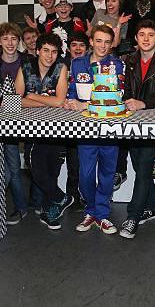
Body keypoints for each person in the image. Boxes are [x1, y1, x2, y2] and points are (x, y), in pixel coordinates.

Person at [65, 25, 124, 234]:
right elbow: (72, 91)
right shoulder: (78, 63)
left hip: (109, 127)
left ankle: (102, 214)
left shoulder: (116, 65)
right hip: (85, 128)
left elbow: (117, 96)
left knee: (107, 173)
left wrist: (86, 104)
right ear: (91, 42)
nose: (103, 46)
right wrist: (70, 100)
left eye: (107, 42)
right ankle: (90, 210)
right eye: (99, 41)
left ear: (111, 44)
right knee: (86, 175)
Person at [119, 19, 155, 239]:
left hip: (153, 121)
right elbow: (125, 89)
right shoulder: (130, 60)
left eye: (150, 35)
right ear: (136, 38)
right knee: (138, 164)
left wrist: (144, 103)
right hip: (132, 122)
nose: (146, 38)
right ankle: (150, 206)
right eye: (142, 34)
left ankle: (133, 216)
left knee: (142, 169)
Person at [15, 33, 74, 229]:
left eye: (54, 52)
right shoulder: (25, 67)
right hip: (32, 129)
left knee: (52, 171)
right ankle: (61, 197)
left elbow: (59, 101)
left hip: (56, 128)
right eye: (46, 51)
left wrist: (32, 96)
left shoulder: (61, 67)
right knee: (36, 168)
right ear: (38, 50)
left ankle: (50, 212)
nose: (49, 56)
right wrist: (44, 102)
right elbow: (15, 100)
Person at [0, 22, 29, 225]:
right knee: (8, 167)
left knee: (26, 164)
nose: (10, 43)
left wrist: (4, 100)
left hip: (29, 120)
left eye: (14, 38)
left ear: (19, 41)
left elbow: (29, 94)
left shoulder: (28, 61)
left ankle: (26, 206)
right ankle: (16, 207)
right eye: (5, 39)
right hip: (0, 123)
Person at [63, 30, 90, 206]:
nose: (78, 48)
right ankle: (72, 196)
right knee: (72, 163)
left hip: (87, 117)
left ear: (87, 48)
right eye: (74, 45)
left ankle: (87, 197)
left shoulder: (92, 65)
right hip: (63, 118)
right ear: (68, 48)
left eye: (81, 45)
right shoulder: (60, 66)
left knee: (84, 163)